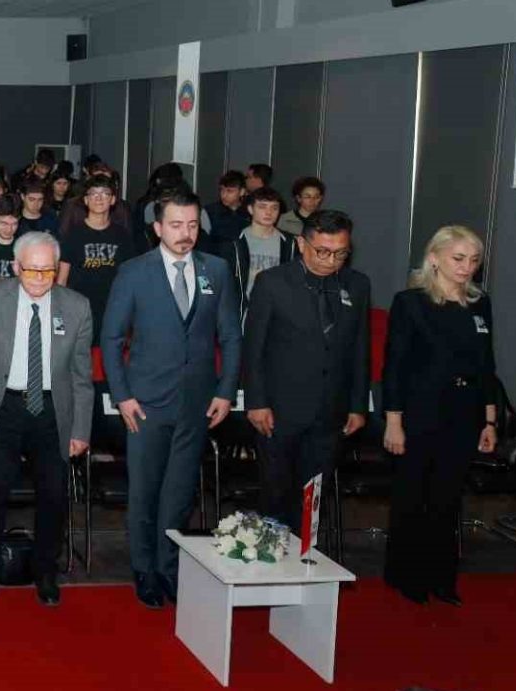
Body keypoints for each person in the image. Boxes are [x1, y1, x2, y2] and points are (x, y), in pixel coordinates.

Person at [101, 190, 241, 609]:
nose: (186, 233)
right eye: (177, 225)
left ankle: (169, 567)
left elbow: (231, 336)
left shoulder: (216, 270)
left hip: (197, 402)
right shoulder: (133, 272)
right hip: (144, 404)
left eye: (193, 225)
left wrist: (225, 391)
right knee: (145, 491)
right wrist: (122, 396)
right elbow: (111, 338)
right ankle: (144, 569)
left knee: (179, 494)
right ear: (158, 228)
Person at [0, 232, 94, 605]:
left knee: (54, 495)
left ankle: (45, 572)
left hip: (54, 411)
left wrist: (81, 429)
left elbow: (81, 376)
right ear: (17, 267)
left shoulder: (77, 306)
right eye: (32, 269)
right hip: (2, 407)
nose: (39, 278)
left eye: (47, 271)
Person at [381, 225, 497, 606]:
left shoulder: (480, 303)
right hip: (419, 411)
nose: (467, 267)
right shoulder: (410, 302)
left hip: (465, 412)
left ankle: (442, 578)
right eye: (458, 258)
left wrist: (490, 420)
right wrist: (393, 421)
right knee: (413, 494)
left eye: (474, 260)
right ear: (434, 258)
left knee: (448, 498)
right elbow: (395, 366)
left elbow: (487, 364)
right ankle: (407, 576)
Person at [243, 209, 370, 531]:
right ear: (302, 244)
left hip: (331, 411)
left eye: (340, 253)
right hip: (278, 411)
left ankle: (306, 555)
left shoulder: (357, 285)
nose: (331, 260)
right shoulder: (272, 283)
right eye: (323, 251)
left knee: (314, 497)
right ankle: (272, 553)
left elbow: (360, 348)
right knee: (275, 492)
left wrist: (357, 405)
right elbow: (253, 348)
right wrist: (256, 402)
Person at [57, 175, 135, 329]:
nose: (99, 198)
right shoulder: (73, 235)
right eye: (93, 193)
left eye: (105, 193)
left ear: (113, 199)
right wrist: (59, 311)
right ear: (86, 200)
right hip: (79, 310)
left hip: (112, 308)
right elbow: (62, 278)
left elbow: (129, 276)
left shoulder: (122, 235)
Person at [232, 186, 296, 305]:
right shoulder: (235, 242)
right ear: (251, 209)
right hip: (244, 308)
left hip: (278, 308)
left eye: (274, 208)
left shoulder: (289, 243)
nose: (269, 212)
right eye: (262, 207)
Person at [206, 171, 250, 261]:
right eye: (222, 190)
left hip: (243, 260)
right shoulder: (209, 211)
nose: (224, 195)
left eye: (230, 191)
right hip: (216, 260)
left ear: (242, 192)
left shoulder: (250, 213)